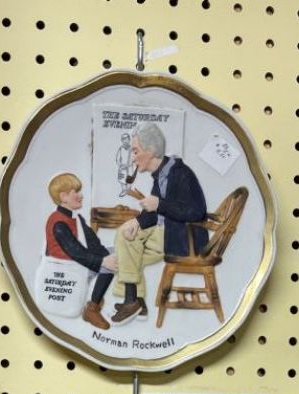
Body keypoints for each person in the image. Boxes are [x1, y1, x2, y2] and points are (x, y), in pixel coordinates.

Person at [110, 123, 209, 326]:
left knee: (126, 250)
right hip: (167, 232)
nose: (133, 158)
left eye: (135, 151)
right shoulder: (162, 174)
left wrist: (160, 204)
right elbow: (156, 213)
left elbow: (196, 212)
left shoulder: (181, 174)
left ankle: (133, 301)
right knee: (125, 235)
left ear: (151, 151)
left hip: (185, 239)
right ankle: (135, 301)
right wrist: (137, 221)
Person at [45, 172, 117, 331]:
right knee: (108, 266)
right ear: (63, 197)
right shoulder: (58, 222)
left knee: (118, 253)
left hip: (77, 261)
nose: (81, 195)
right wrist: (103, 261)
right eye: (75, 192)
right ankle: (92, 309)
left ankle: (125, 300)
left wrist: (106, 256)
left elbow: (93, 243)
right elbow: (75, 252)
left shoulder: (76, 218)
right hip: (65, 268)